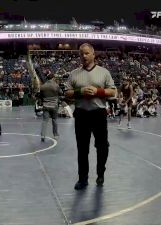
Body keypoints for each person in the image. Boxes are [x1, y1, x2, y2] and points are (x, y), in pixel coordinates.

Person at [65, 43, 116, 190]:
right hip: (81, 114)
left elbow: (112, 92)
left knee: (102, 147)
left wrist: (97, 92)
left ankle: (100, 173)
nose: (84, 56)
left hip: (98, 114)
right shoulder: (74, 73)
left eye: (87, 53)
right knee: (82, 148)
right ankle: (83, 179)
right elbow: (67, 93)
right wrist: (80, 91)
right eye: (81, 54)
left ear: (93, 54)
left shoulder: (104, 72)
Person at [39, 74, 63, 142]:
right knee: (54, 120)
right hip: (54, 105)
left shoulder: (43, 86)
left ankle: (43, 135)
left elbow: (40, 96)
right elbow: (61, 93)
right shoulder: (56, 85)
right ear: (53, 78)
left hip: (45, 106)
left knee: (44, 121)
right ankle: (55, 135)